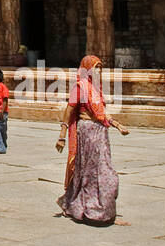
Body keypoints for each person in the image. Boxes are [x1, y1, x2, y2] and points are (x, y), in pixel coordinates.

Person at [55, 55, 129, 225]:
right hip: (87, 133)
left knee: (105, 172)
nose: (99, 71)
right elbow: (69, 110)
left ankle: (102, 211)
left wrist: (118, 125)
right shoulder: (80, 88)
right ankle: (89, 210)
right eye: (96, 67)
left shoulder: (96, 89)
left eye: (100, 67)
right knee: (89, 173)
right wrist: (62, 136)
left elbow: (102, 113)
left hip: (100, 134)